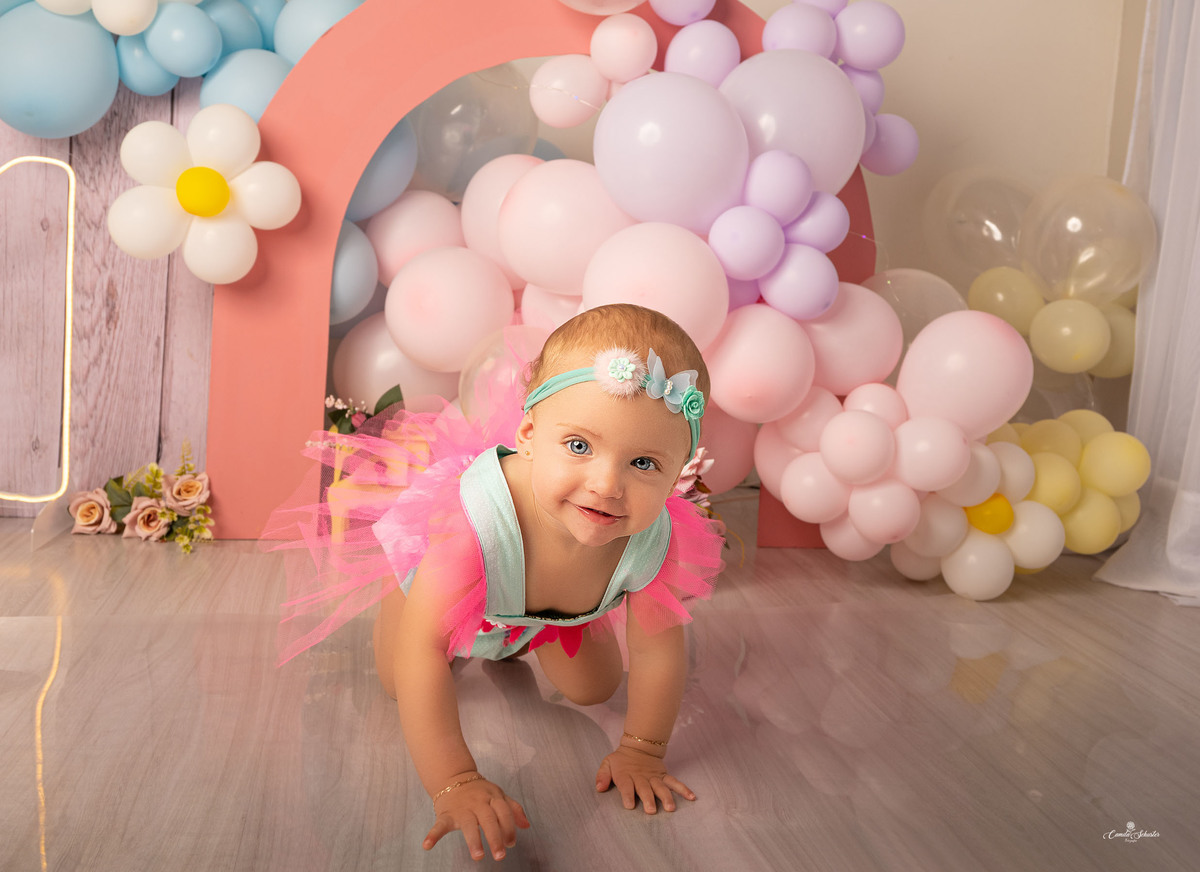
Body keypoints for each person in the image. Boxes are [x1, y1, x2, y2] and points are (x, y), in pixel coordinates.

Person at [267, 304, 725, 863]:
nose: (606, 485)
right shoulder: (472, 520)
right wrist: (455, 781)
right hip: (452, 584)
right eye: (579, 446)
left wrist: (642, 750)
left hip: (554, 605)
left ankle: (535, 627)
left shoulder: (655, 537)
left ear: (679, 473)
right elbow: (423, 652)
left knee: (596, 688)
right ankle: (403, 598)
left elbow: (657, 651)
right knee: (401, 680)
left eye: (645, 464)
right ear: (529, 434)